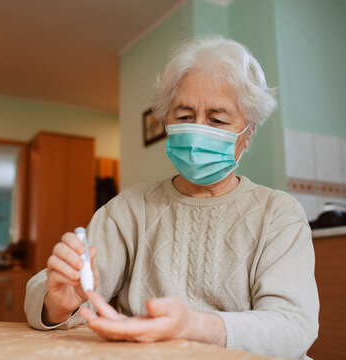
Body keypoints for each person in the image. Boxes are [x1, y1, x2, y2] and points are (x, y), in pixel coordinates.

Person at [24, 36, 319, 360]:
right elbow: (51, 292)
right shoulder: (128, 209)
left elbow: (294, 327)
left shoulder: (278, 215)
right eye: (184, 116)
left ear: (247, 133)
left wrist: (194, 327)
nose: (197, 131)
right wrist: (58, 304)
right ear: (166, 121)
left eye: (217, 120)